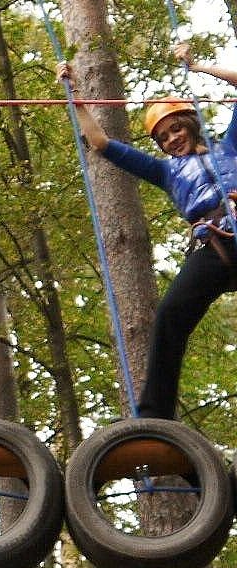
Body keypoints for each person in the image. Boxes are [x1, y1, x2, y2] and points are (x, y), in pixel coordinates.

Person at [58, 44, 237, 419]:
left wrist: (196, 66)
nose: (172, 139)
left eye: (175, 128)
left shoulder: (229, 146)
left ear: (190, 122)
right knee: (171, 316)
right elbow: (101, 143)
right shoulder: (165, 171)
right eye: (163, 138)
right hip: (214, 247)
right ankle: (156, 420)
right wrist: (74, 97)